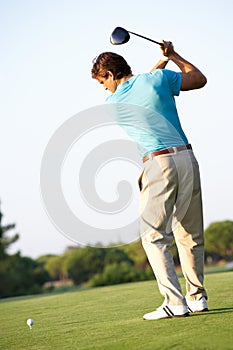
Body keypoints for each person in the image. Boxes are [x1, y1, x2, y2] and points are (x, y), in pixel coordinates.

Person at [91, 40, 208, 320]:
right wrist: (172, 56)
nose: (103, 88)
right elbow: (198, 79)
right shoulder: (158, 80)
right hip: (188, 159)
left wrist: (162, 61)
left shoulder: (113, 102)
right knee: (189, 233)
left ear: (110, 74)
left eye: (102, 81)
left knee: (154, 236)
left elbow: (135, 87)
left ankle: (174, 303)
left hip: (159, 163)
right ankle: (197, 298)